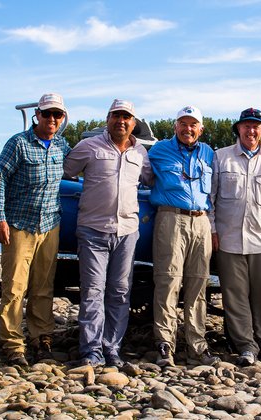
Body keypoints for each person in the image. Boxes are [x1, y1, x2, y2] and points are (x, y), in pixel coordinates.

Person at [63, 99, 154, 367]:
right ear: (108, 119)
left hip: (127, 232)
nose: (121, 121)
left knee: (120, 292)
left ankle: (111, 347)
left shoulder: (141, 153)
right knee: (92, 291)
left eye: (126, 117)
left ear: (133, 123)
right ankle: (91, 350)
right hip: (93, 230)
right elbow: (65, 171)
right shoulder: (88, 146)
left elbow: (151, 180)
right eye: (116, 116)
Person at [0, 93, 71, 366]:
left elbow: (78, 170)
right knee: (14, 287)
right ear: (37, 114)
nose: (51, 119)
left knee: (43, 286)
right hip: (19, 225)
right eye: (47, 113)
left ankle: (41, 339)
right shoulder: (18, 143)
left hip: (50, 225)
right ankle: (13, 345)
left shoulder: (62, 145)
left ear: (62, 118)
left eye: (57, 115)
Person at [209, 108, 261, 367]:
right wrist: (212, 230)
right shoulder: (221, 158)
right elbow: (209, 199)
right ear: (239, 129)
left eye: (256, 126)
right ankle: (245, 346)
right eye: (246, 126)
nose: (251, 130)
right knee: (235, 296)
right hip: (229, 240)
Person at [148, 105, 220, 367]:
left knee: (198, 285)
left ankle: (196, 346)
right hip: (170, 218)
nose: (188, 129)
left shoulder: (209, 153)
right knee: (168, 282)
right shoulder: (158, 151)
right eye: (183, 123)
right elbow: (142, 177)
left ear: (200, 128)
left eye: (193, 125)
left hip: (201, 221)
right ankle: (165, 344)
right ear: (175, 126)